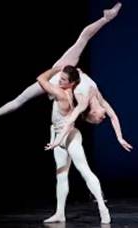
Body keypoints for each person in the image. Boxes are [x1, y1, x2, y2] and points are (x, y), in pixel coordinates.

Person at [37, 66, 111, 224]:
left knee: (84, 170)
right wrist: (54, 138)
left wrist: (54, 69)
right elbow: (55, 124)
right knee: (61, 176)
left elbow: (41, 79)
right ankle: (59, 213)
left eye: (63, 79)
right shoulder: (66, 90)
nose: (59, 80)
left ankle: (102, 208)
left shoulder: (61, 93)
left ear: (71, 84)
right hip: (58, 135)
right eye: (60, 78)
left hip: (69, 136)